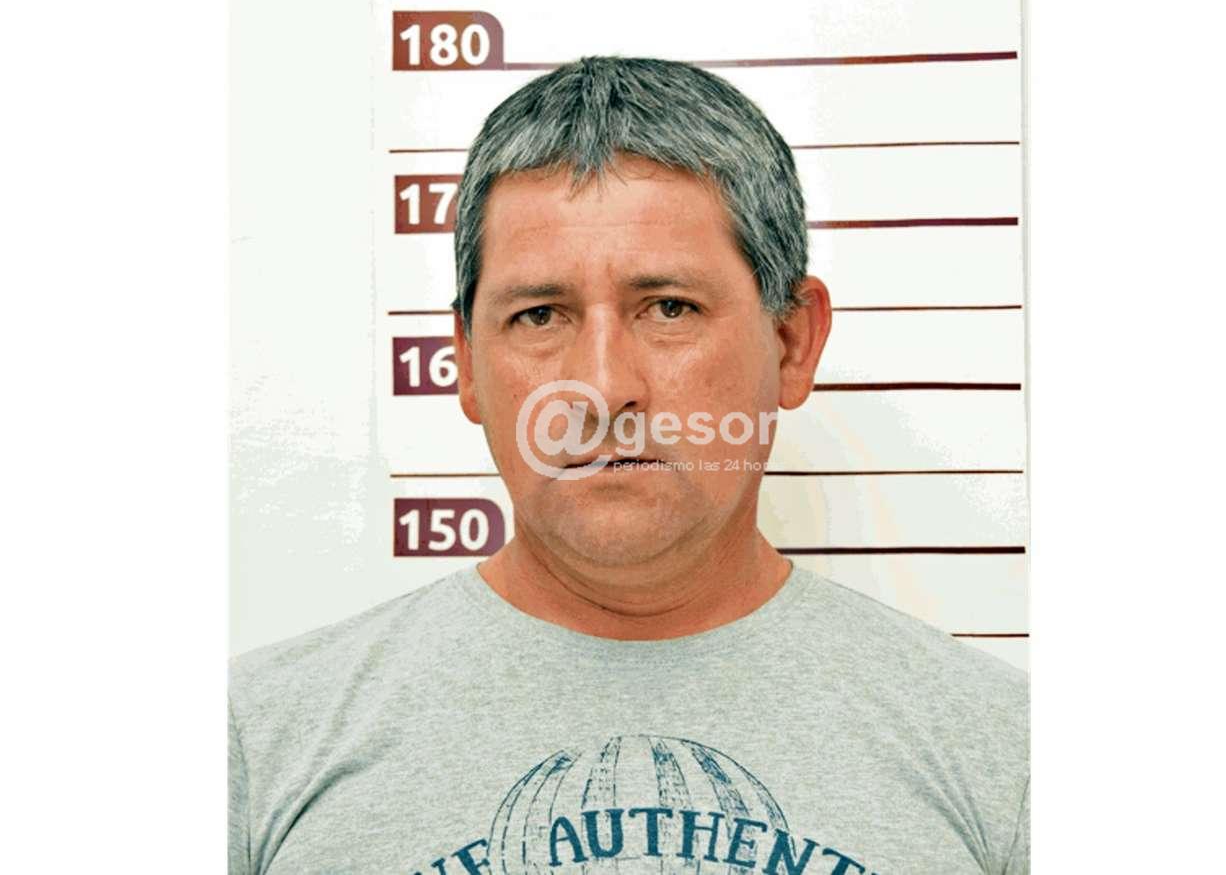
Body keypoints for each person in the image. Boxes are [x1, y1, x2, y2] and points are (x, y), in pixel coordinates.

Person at [229, 56, 1028, 875]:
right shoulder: (253, 746)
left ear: (792, 342)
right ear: (465, 363)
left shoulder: (1008, 754)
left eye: (670, 308)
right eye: (540, 315)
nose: (605, 386)